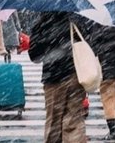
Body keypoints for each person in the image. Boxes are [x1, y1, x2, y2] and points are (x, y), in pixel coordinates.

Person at [28, 12, 88, 143]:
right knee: (74, 119)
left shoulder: (41, 24)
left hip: (53, 77)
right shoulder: (77, 20)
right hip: (76, 75)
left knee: (54, 122)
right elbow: (89, 44)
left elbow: (34, 56)